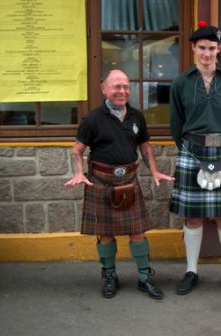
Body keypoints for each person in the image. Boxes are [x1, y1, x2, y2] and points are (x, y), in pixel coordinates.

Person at [64, 69, 174, 299]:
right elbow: (77, 151)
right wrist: (78, 172)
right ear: (104, 88)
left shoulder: (136, 116)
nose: (122, 91)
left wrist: (154, 170)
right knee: (105, 234)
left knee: (138, 233)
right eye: (117, 87)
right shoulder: (92, 119)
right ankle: (110, 276)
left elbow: (145, 147)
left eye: (126, 87)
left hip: (129, 180)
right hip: (101, 182)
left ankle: (144, 278)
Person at [169, 21, 221, 297]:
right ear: (193, 48)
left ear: (218, 49)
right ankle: (191, 271)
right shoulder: (181, 83)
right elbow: (176, 123)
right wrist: (191, 147)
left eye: (212, 48)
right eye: (202, 48)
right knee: (193, 217)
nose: (207, 53)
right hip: (192, 150)